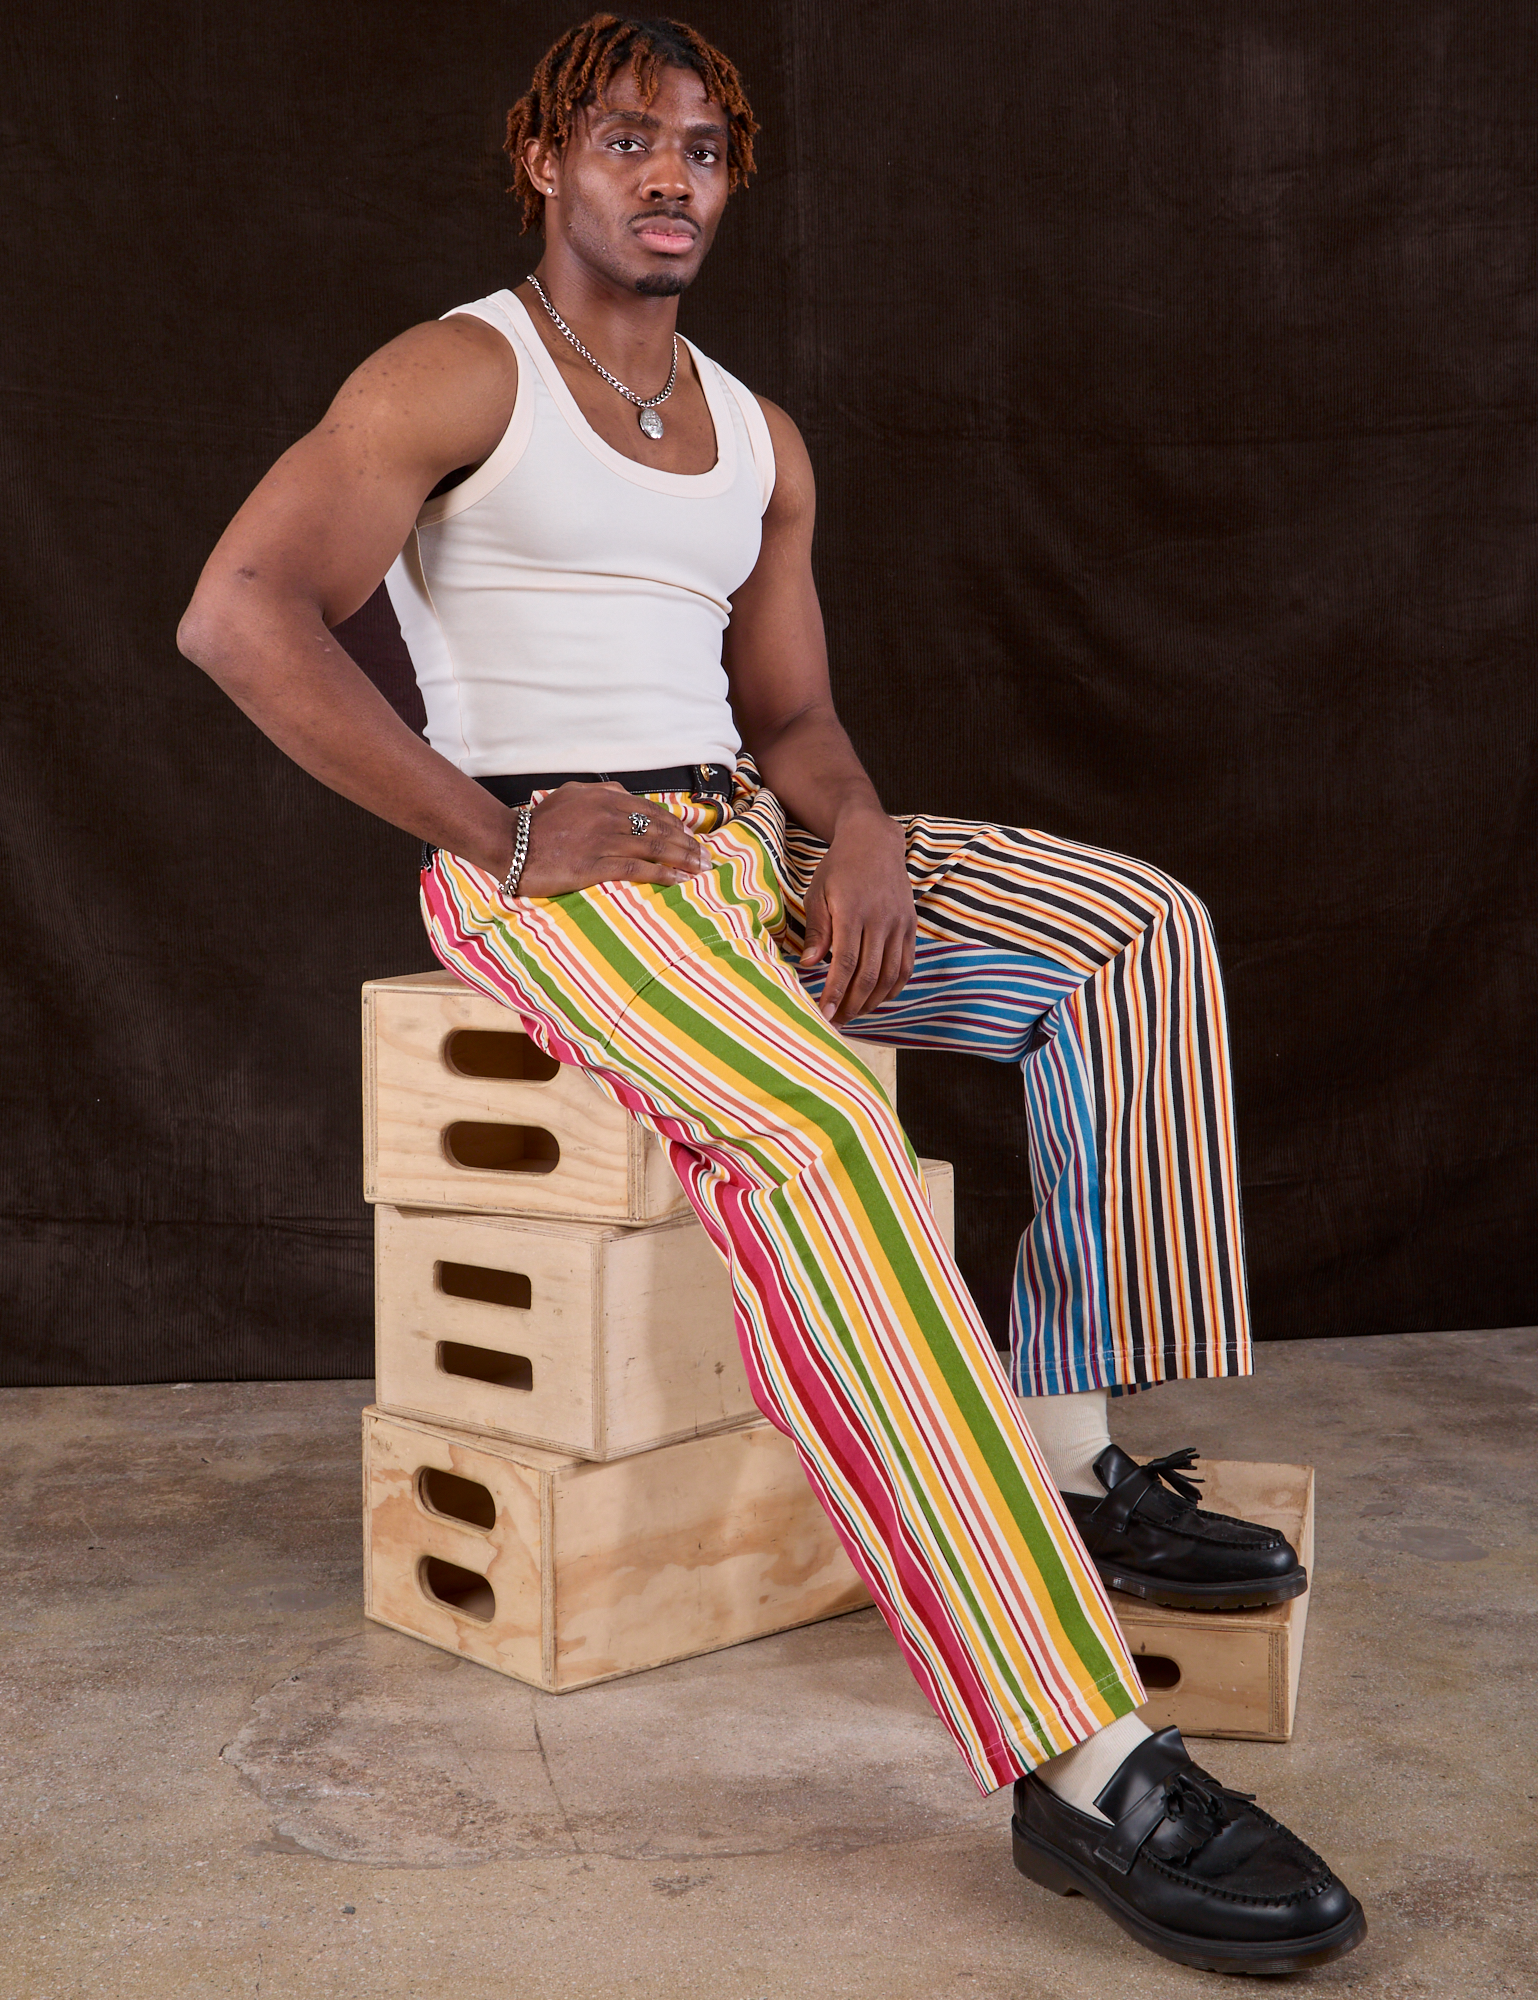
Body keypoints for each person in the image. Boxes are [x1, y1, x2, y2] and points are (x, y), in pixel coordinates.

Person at [179, 13, 1365, 1974]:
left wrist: (867, 826)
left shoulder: (755, 432)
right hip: (567, 873)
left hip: (753, 843)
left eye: (706, 152)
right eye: (630, 142)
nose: (670, 178)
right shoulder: (458, 367)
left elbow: (795, 712)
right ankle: (1078, 1759)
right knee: (818, 1132)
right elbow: (240, 612)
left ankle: (1071, 1462)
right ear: (547, 160)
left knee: (1129, 933)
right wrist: (497, 831)